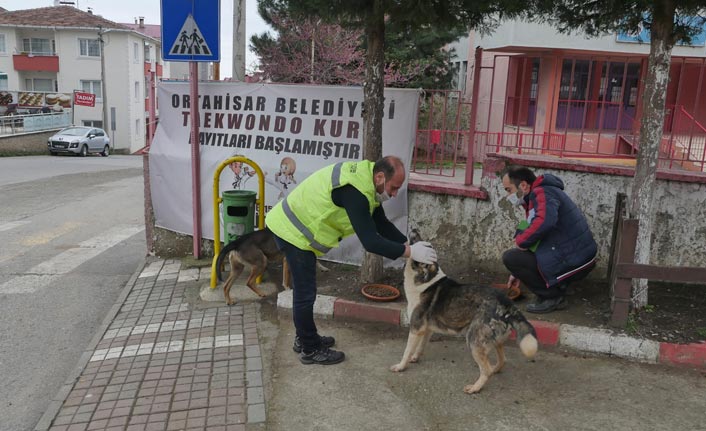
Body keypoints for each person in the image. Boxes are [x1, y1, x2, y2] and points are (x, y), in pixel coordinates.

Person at [265, 155, 438, 365]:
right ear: (380, 177)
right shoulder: (355, 192)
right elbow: (371, 242)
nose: (394, 195)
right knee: (305, 293)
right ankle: (309, 349)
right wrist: (409, 252)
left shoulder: (367, 182)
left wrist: (410, 243)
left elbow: (380, 223)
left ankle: (304, 338)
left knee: (306, 291)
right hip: (291, 230)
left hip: (294, 227)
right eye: (393, 188)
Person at [501, 166, 597, 314]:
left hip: (576, 259)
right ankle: (558, 287)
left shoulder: (542, 192)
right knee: (517, 256)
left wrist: (521, 242)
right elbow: (533, 232)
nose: (508, 195)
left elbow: (545, 221)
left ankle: (553, 297)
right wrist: (518, 272)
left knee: (510, 257)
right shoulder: (536, 197)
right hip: (576, 256)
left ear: (523, 185)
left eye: (509, 189)